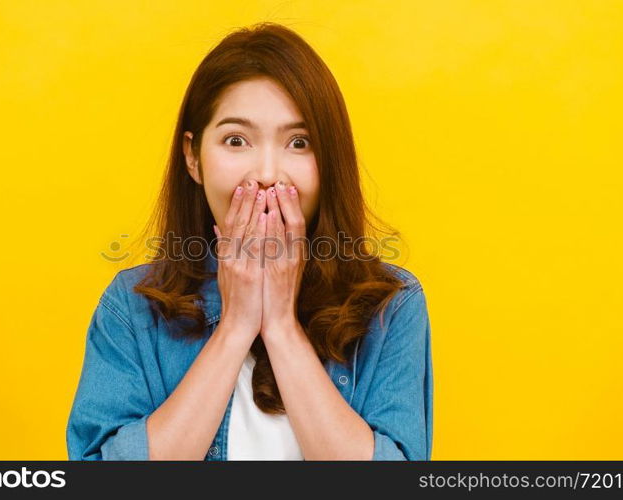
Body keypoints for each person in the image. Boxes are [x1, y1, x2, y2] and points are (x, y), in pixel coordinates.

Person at [66, 22, 433, 461]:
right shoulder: (130, 307)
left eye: (299, 142)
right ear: (193, 156)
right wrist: (236, 325)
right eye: (236, 140)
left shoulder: (393, 307)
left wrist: (280, 326)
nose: (265, 173)